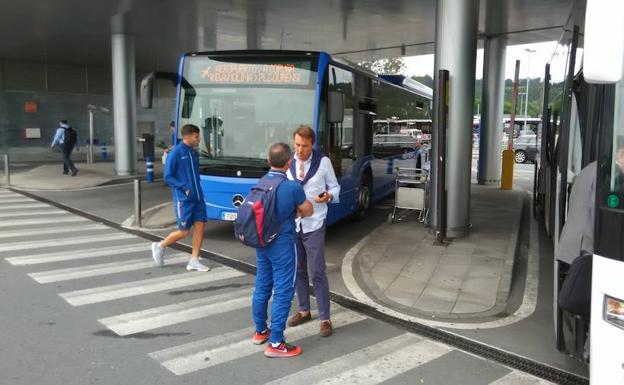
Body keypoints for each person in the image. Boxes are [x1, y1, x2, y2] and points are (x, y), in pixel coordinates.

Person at [252, 142, 313, 358]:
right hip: (283, 245)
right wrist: (295, 211)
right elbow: (309, 209)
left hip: (261, 242)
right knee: (284, 290)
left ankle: (260, 331)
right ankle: (276, 343)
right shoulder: (292, 187)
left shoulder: (259, 183)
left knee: (262, 285)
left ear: (269, 161)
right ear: (289, 163)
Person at [286, 125, 340, 337]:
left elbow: (335, 187)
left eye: (305, 146)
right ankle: (304, 310)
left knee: (317, 270)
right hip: (293, 224)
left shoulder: (323, 162)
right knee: (298, 269)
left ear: (312, 145)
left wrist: (328, 196)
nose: (300, 150)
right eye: (297, 145)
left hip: (315, 222)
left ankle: (325, 317)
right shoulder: (288, 162)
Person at [151, 124, 210, 272]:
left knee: (200, 227)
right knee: (184, 232)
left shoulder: (194, 153)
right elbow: (168, 177)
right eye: (196, 136)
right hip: (184, 200)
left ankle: (194, 260)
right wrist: (185, 187)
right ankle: (160, 245)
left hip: (198, 198)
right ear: (187, 136)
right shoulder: (176, 153)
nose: (198, 139)